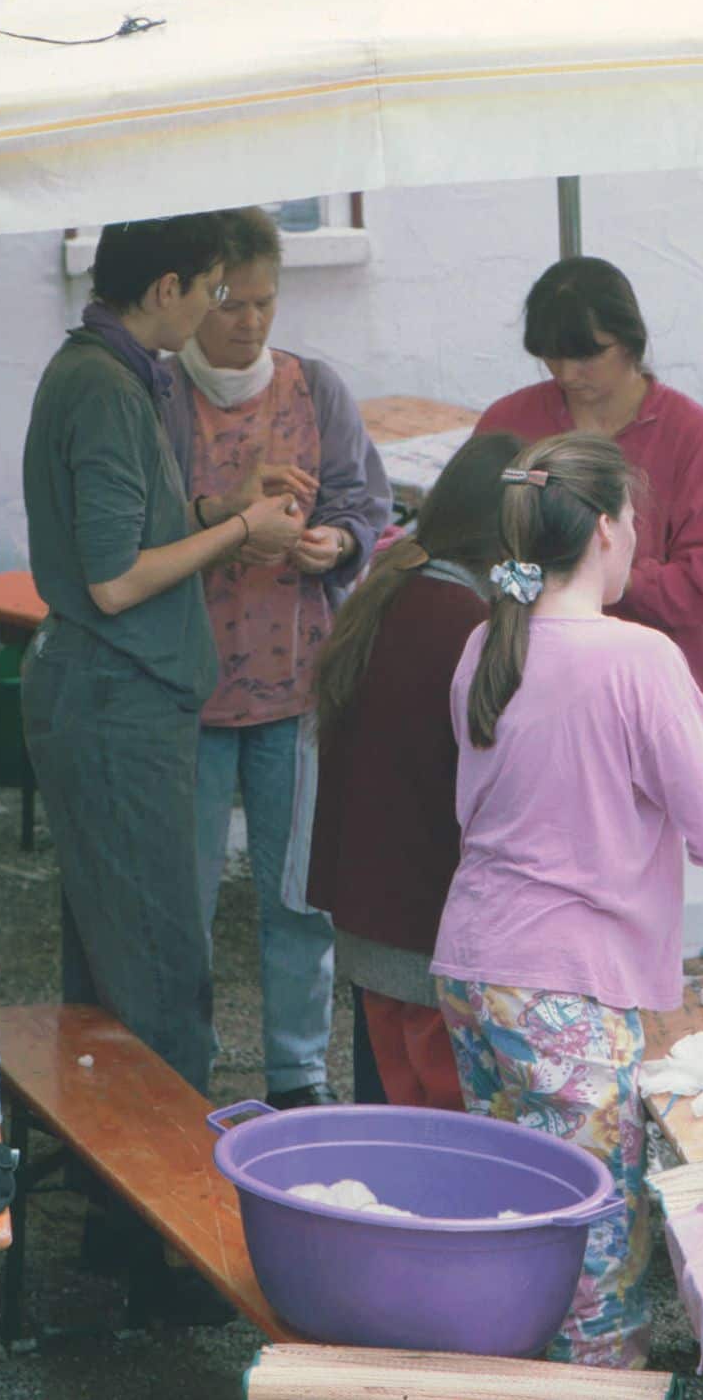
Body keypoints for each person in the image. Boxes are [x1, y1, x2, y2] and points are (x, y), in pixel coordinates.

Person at [431, 432, 703, 1368]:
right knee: (593, 1229)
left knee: (515, 1208)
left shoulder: (485, 639)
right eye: (636, 521)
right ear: (602, 529)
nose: (641, 539)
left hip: (472, 962)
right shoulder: (638, 657)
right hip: (564, 984)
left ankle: (516, 1374)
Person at [22, 213, 306, 1100]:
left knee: (112, 965)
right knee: (158, 976)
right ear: (164, 292)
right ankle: (154, 1217)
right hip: (114, 698)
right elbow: (114, 580)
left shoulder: (106, 370)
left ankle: (114, 1190)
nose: (223, 308)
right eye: (212, 289)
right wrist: (239, 533)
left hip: (107, 692)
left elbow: (132, 536)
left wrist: (223, 505)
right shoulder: (106, 387)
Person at [164, 205, 393, 1111]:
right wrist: (228, 518)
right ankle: (179, 1067)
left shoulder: (315, 389)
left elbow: (365, 505)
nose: (249, 322)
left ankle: (297, 1075)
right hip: (187, 690)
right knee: (181, 904)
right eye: (227, 302)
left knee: (299, 895)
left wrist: (334, 545)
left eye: (263, 302)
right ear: (186, 297)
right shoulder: (157, 394)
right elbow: (145, 530)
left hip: (297, 683)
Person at [310, 431, 524, 1111]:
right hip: (428, 934)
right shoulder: (468, 627)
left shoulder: (393, 587)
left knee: (383, 1112)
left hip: (371, 923)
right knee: (436, 1133)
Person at [474, 257, 703, 696]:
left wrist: (595, 574)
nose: (566, 373)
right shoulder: (508, 422)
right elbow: (477, 553)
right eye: (551, 356)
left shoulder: (693, 434)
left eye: (587, 355)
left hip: (659, 689)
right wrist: (536, 588)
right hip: (534, 681)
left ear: (631, 340)